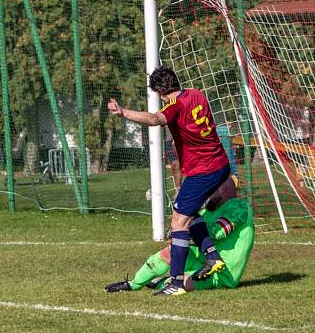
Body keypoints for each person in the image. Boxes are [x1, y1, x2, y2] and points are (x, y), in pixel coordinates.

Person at [108, 67, 231, 296]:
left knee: (178, 222)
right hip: (220, 164)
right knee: (190, 215)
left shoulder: (174, 106)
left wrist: (123, 112)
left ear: (159, 92)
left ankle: (175, 283)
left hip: (204, 171)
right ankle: (212, 257)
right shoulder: (197, 93)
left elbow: (155, 119)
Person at [105, 176, 253, 293]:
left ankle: (163, 282)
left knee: (180, 284)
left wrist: (188, 229)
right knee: (171, 249)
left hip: (221, 274)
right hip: (201, 263)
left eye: (209, 189)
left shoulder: (238, 207)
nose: (206, 194)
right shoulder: (208, 211)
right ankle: (133, 284)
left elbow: (218, 232)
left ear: (221, 189)